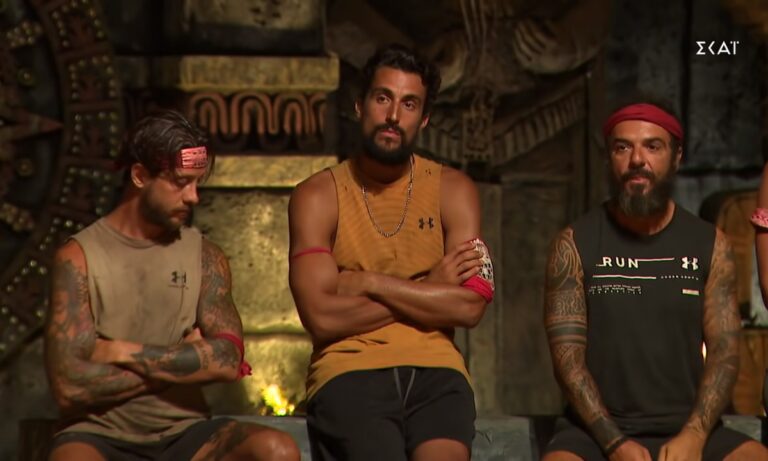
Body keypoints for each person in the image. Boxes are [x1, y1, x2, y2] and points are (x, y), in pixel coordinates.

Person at [44, 110, 300, 461]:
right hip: (98, 434)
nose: (193, 197)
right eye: (181, 182)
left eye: (197, 183)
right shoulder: (77, 258)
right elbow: (69, 387)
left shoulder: (205, 256)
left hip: (186, 433)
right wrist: (183, 359)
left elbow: (228, 359)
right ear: (139, 176)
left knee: (277, 450)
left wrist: (122, 352)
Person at [287, 44, 494, 461]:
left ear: (424, 118)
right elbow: (321, 318)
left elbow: (470, 306)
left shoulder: (454, 190)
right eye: (383, 98)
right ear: (359, 105)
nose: (394, 116)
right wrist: (429, 288)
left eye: (409, 104)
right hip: (349, 371)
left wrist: (370, 283)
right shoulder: (317, 195)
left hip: (438, 372)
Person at [541, 102, 768, 461]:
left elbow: (724, 352)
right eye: (623, 147)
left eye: (652, 146)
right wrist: (614, 443)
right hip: (594, 432)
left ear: (676, 157)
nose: (637, 160)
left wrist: (695, 435)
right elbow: (567, 362)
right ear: (609, 159)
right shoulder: (573, 244)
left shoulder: (710, 244)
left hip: (689, 428)